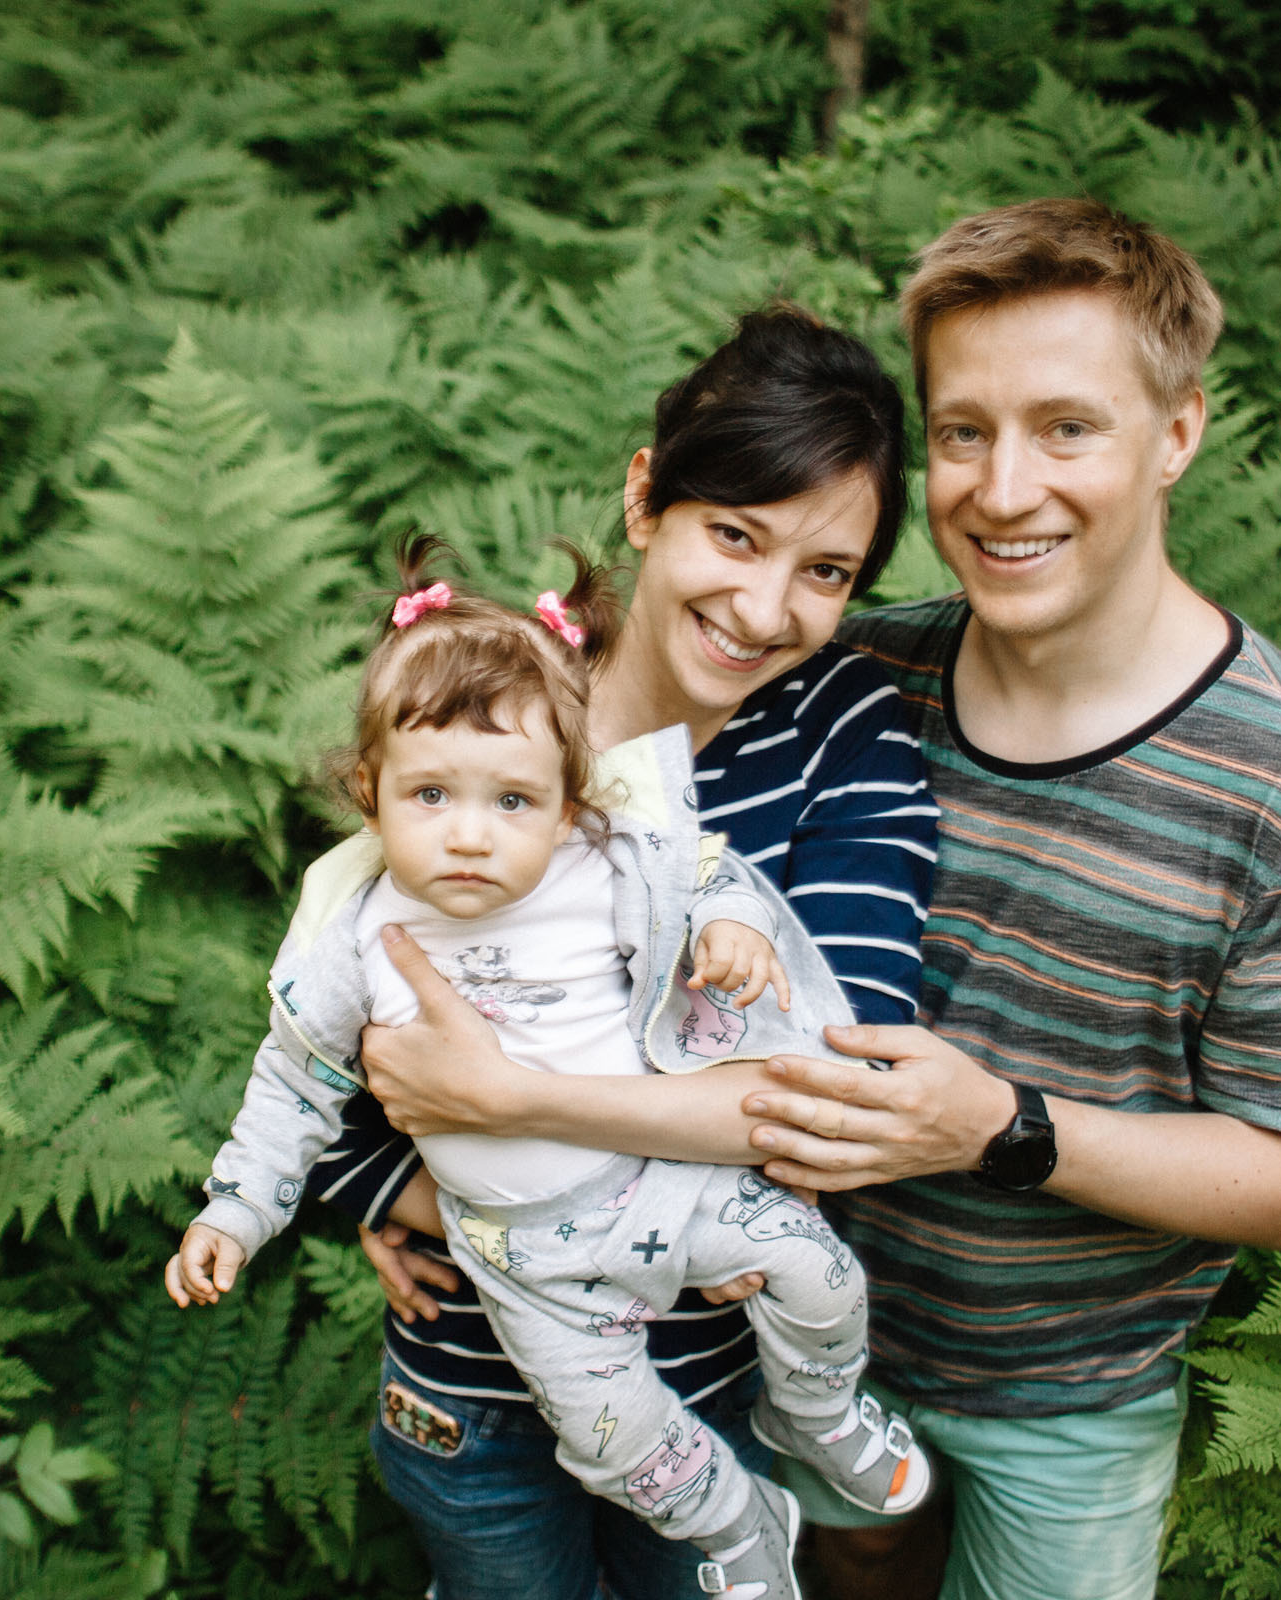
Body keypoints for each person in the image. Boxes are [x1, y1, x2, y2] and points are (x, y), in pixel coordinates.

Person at [722, 198, 1281, 1600]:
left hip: (1069, 1399)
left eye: (1067, 428)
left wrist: (1000, 1130)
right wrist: (438, 1169)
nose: (1002, 487)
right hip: (786, 1336)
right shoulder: (847, 683)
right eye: (963, 431)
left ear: (1178, 434)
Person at [309, 306, 941, 1600]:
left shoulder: (841, 732)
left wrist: (502, 1107)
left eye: (826, 572)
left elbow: (828, 1100)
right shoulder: (485, 702)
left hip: (708, 1390)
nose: (766, 609)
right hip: (464, 1388)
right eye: (735, 534)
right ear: (646, 496)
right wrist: (388, 1184)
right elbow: (332, 1015)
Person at [166, 543, 930, 1600]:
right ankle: (743, 1525)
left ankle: (815, 1410)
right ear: (369, 792)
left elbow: (708, 873)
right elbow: (296, 1085)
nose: (470, 835)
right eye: (430, 793)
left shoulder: (605, 864)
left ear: (567, 804)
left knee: (819, 1272)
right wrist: (235, 1213)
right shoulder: (354, 935)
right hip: (524, 1260)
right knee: (620, 1440)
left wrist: (736, 929)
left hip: (670, 1187)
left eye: (512, 801)